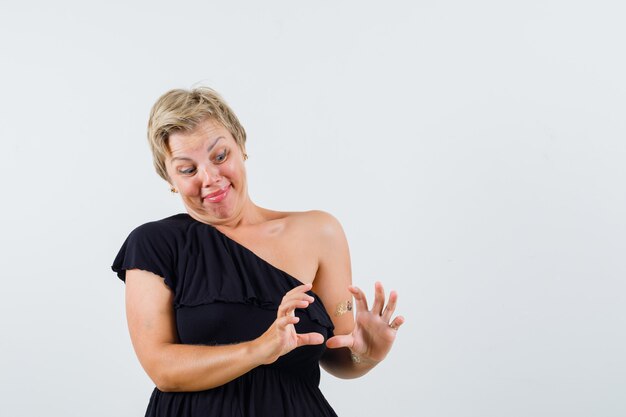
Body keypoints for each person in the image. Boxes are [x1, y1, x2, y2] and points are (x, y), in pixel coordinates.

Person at [112, 87, 405, 417]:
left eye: (220, 156)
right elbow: (162, 370)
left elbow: (339, 356)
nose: (210, 178)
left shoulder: (319, 232)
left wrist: (366, 356)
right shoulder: (154, 244)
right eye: (187, 169)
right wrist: (260, 348)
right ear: (169, 177)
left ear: (241, 147)